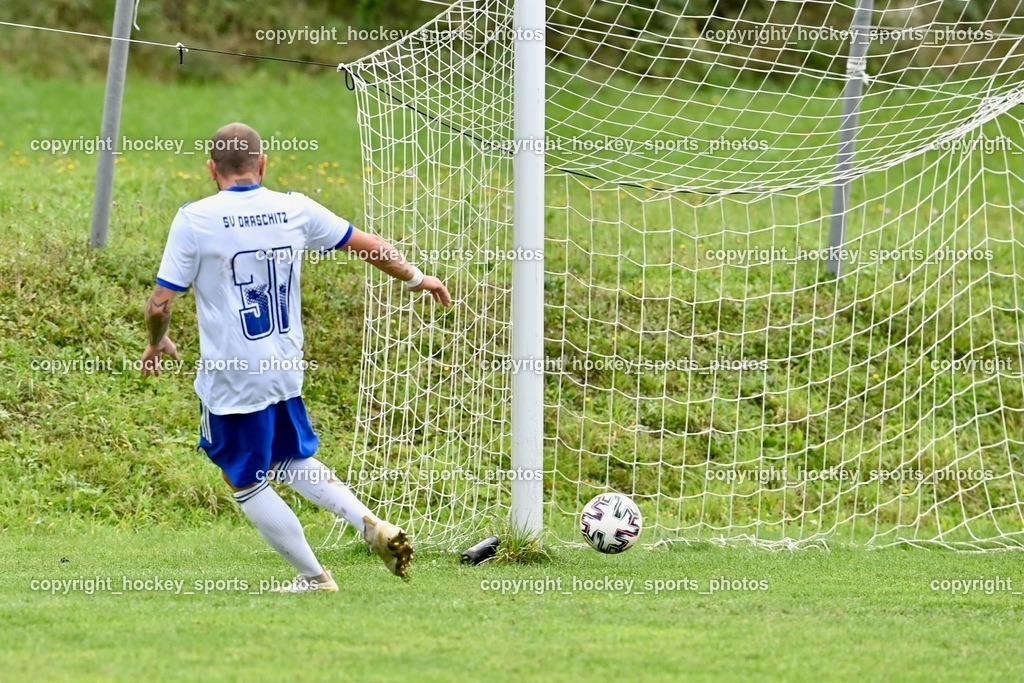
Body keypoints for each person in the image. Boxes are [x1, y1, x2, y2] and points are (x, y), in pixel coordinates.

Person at [140, 122, 452, 592]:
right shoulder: (294, 209)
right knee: (287, 458)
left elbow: (161, 302)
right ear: (263, 164)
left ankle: (314, 576)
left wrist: (156, 339)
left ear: (212, 170)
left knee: (242, 478)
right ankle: (368, 522)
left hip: (234, 375)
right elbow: (366, 245)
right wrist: (417, 278)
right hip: (284, 368)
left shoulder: (196, 219)